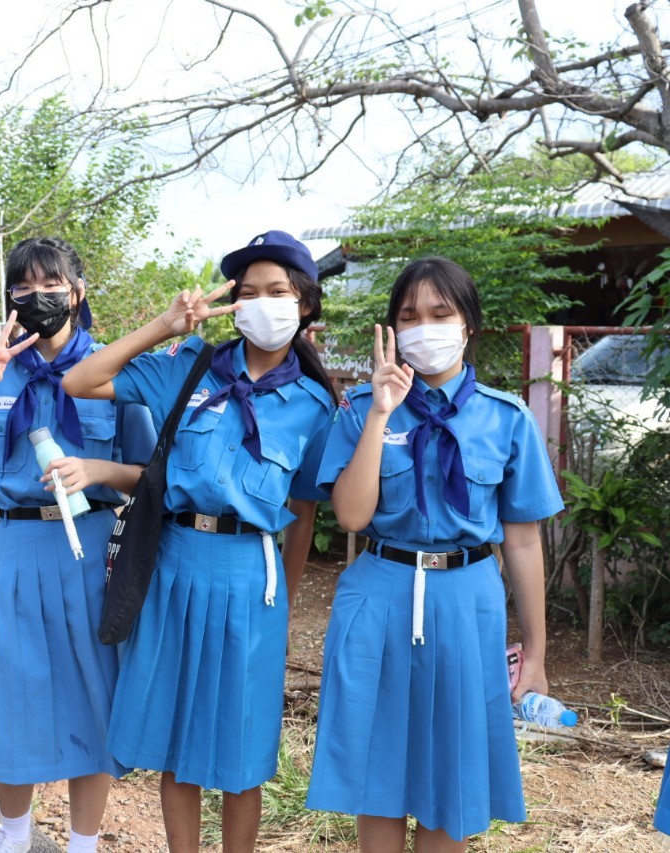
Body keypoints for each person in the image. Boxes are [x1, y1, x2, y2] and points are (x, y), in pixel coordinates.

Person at [62, 231, 337, 853]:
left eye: (277, 292)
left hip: (251, 576)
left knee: (243, 750)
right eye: (248, 293)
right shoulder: (189, 368)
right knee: (176, 740)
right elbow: (80, 379)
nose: (261, 304)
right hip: (174, 565)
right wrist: (164, 325)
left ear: (304, 304)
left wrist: (286, 601)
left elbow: (303, 511)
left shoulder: (316, 404)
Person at [0, 237, 156, 853]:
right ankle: (14, 834)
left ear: (77, 291)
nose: (37, 296)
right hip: (14, 545)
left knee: (94, 695)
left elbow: (154, 478)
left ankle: (83, 843)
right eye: (23, 287)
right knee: (11, 694)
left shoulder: (113, 369)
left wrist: (97, 469)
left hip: (93, 547)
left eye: (50, 285)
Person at [303, 257, 564, 852]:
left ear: (468, 323)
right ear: (393, 329)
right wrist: (380, 413)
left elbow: (523, 541)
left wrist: (537, 654)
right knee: (378, 766)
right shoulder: (363, 408)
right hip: (379, 594)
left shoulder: (507, 417)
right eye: (409, 316)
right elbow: (351, 516)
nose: (425, 327)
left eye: (440, 314)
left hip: (467, 600)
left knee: (454, 767)